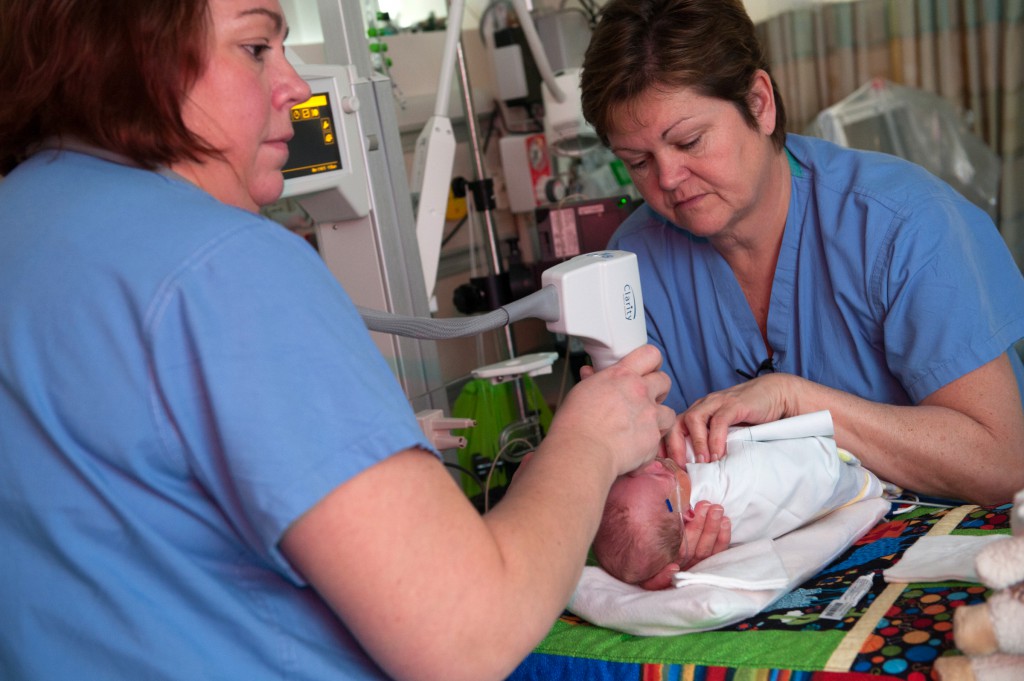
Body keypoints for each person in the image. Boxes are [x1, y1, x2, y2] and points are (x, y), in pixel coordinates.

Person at [0, 2, 731, 680]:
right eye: (256, 47)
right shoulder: (224, 266)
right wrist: (590, 442)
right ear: (131, 48)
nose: (294, 85)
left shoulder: (26, 221)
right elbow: (465, 629)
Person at [579, 0, 1024, 505]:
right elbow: (650, 473)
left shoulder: (900, 224)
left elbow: (1001, 461)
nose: (667, 180)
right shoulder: (632, 269)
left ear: (759, 103)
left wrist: (798, 402)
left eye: (690, 141)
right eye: (638, 162)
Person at [594, 439, 884, 590]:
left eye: (634, 471)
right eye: (658, 477)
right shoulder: (732, 491)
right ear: (688, 516)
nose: (657, 465)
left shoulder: (676, 485)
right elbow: (815, 473)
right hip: (843, 475)